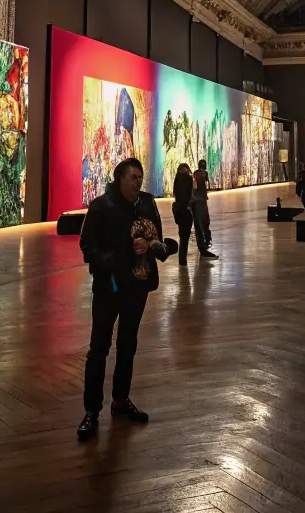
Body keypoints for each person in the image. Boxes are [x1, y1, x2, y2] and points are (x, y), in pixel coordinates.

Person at [77, 158, 175, 441]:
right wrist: (110, 263)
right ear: (119, 178)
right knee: (99, 347)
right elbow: (87, 245)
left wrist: (152, 246)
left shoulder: (146, 203)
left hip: (137, 286)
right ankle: (91, 410)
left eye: (140, 177)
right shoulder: (100, 207)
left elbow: (158, 238)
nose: (137, 182)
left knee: (128, 343)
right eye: (133, 177)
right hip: (109, 287)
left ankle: (121, 400)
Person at [191, 159, 218, 259]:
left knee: (203, 223)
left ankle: (205, 242)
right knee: (202, 223)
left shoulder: (196, 174)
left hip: (200, 200)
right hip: (199, 201)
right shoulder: (201, 174)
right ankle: (204, 244)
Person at [172, 161, 194, 265]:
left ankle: (182, 258)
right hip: (185, 210)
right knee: (185, 236)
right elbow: (189, 194)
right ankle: (182, 259)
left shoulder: (177, 179)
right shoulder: (188, 179)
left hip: (178, 210)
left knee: (182, 235)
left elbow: (176, 193)